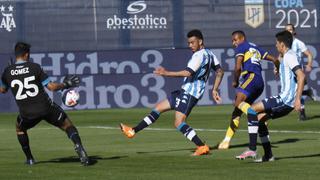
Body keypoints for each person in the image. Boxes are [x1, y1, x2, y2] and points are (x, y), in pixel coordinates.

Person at [120, 29, 224, 156]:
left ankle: (201, 146)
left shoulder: (199, 55)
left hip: (190, 94)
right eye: (189, 43)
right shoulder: (210, 54)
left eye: (192, 42)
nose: (190, 45)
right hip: (185, 91)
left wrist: (166, 73)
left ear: (200, 41)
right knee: (158, 109)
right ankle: (132, 131)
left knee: (179, 123)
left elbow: (187, 72)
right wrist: (214, 89)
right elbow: (220, 72)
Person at [0, 42, 90, 166]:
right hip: (46, 108)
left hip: (27, 113)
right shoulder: (34, 67)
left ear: (16, 55)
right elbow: (52, 87)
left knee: (19, 128)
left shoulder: (7, 71)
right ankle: (79, 146)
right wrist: (66, 84)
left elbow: (3, 90)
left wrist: (8, 75)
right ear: (26, 55)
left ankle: (30, 159)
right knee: (67, 125)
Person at [217, 31, 279, 160]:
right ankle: (226, 141)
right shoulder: (254, 47)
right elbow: (274, 59)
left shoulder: (242, 46)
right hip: (260, 82)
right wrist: (277, 67)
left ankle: (255, 116)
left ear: (242, 38)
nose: (234, 43)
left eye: (235, 40)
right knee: (237, 111)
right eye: (233, 41)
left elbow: (238, 67)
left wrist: (235, 80)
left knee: (238, 103)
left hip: (251, 77)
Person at [246, 30, 305, 162]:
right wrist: (278, 68)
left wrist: (297, 99)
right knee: (260, 119)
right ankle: (268, 155)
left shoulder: (290, 56)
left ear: (282, 44)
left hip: (286, 100)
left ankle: (252, 149)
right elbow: (299, 78)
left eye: (277, 43)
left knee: (251, 109)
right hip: (285, 99)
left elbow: (301, 76)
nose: (276, 46)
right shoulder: (286, 56)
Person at [285, 24, 315, 121]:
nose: (288, 31)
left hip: (297, 70)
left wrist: (309, 64)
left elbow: (309, 54)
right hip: (288, 71)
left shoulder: (298, 43)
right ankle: (307, 92)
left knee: (297, 91)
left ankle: (302, 114)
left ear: (294, 31)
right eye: (287, 30)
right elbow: (281, 56)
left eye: (290, 29)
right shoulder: (284, 44)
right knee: (292, 92)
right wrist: (276, 67)